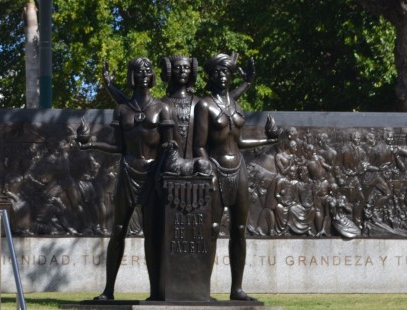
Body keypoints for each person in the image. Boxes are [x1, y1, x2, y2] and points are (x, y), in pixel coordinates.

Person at [78, 57, 172, 301]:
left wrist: (162, 174)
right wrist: (92, 143)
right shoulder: (122, 110)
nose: (144, 74)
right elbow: (118, 146)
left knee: (152, 234)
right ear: (132, 76)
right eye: (139, 71)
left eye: (148, 70)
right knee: (118, 230)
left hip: (153, 175)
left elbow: (168, 146)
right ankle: (108, 291)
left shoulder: (162, 108)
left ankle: (156, 293)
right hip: (128, 172)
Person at [192, 53, 278, 301]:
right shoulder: (204, 105)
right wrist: (207, 169)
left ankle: (236, 289)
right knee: (212, 230)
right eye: (217, 71)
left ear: (231, 76)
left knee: (240, 230)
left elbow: (239, 142)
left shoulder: (237, 107)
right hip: (216, 169)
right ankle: (203, 290)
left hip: (238, 169)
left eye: (226, 71)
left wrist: (267, 139)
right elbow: (199, 145)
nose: (221, 75)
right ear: (210, 75)